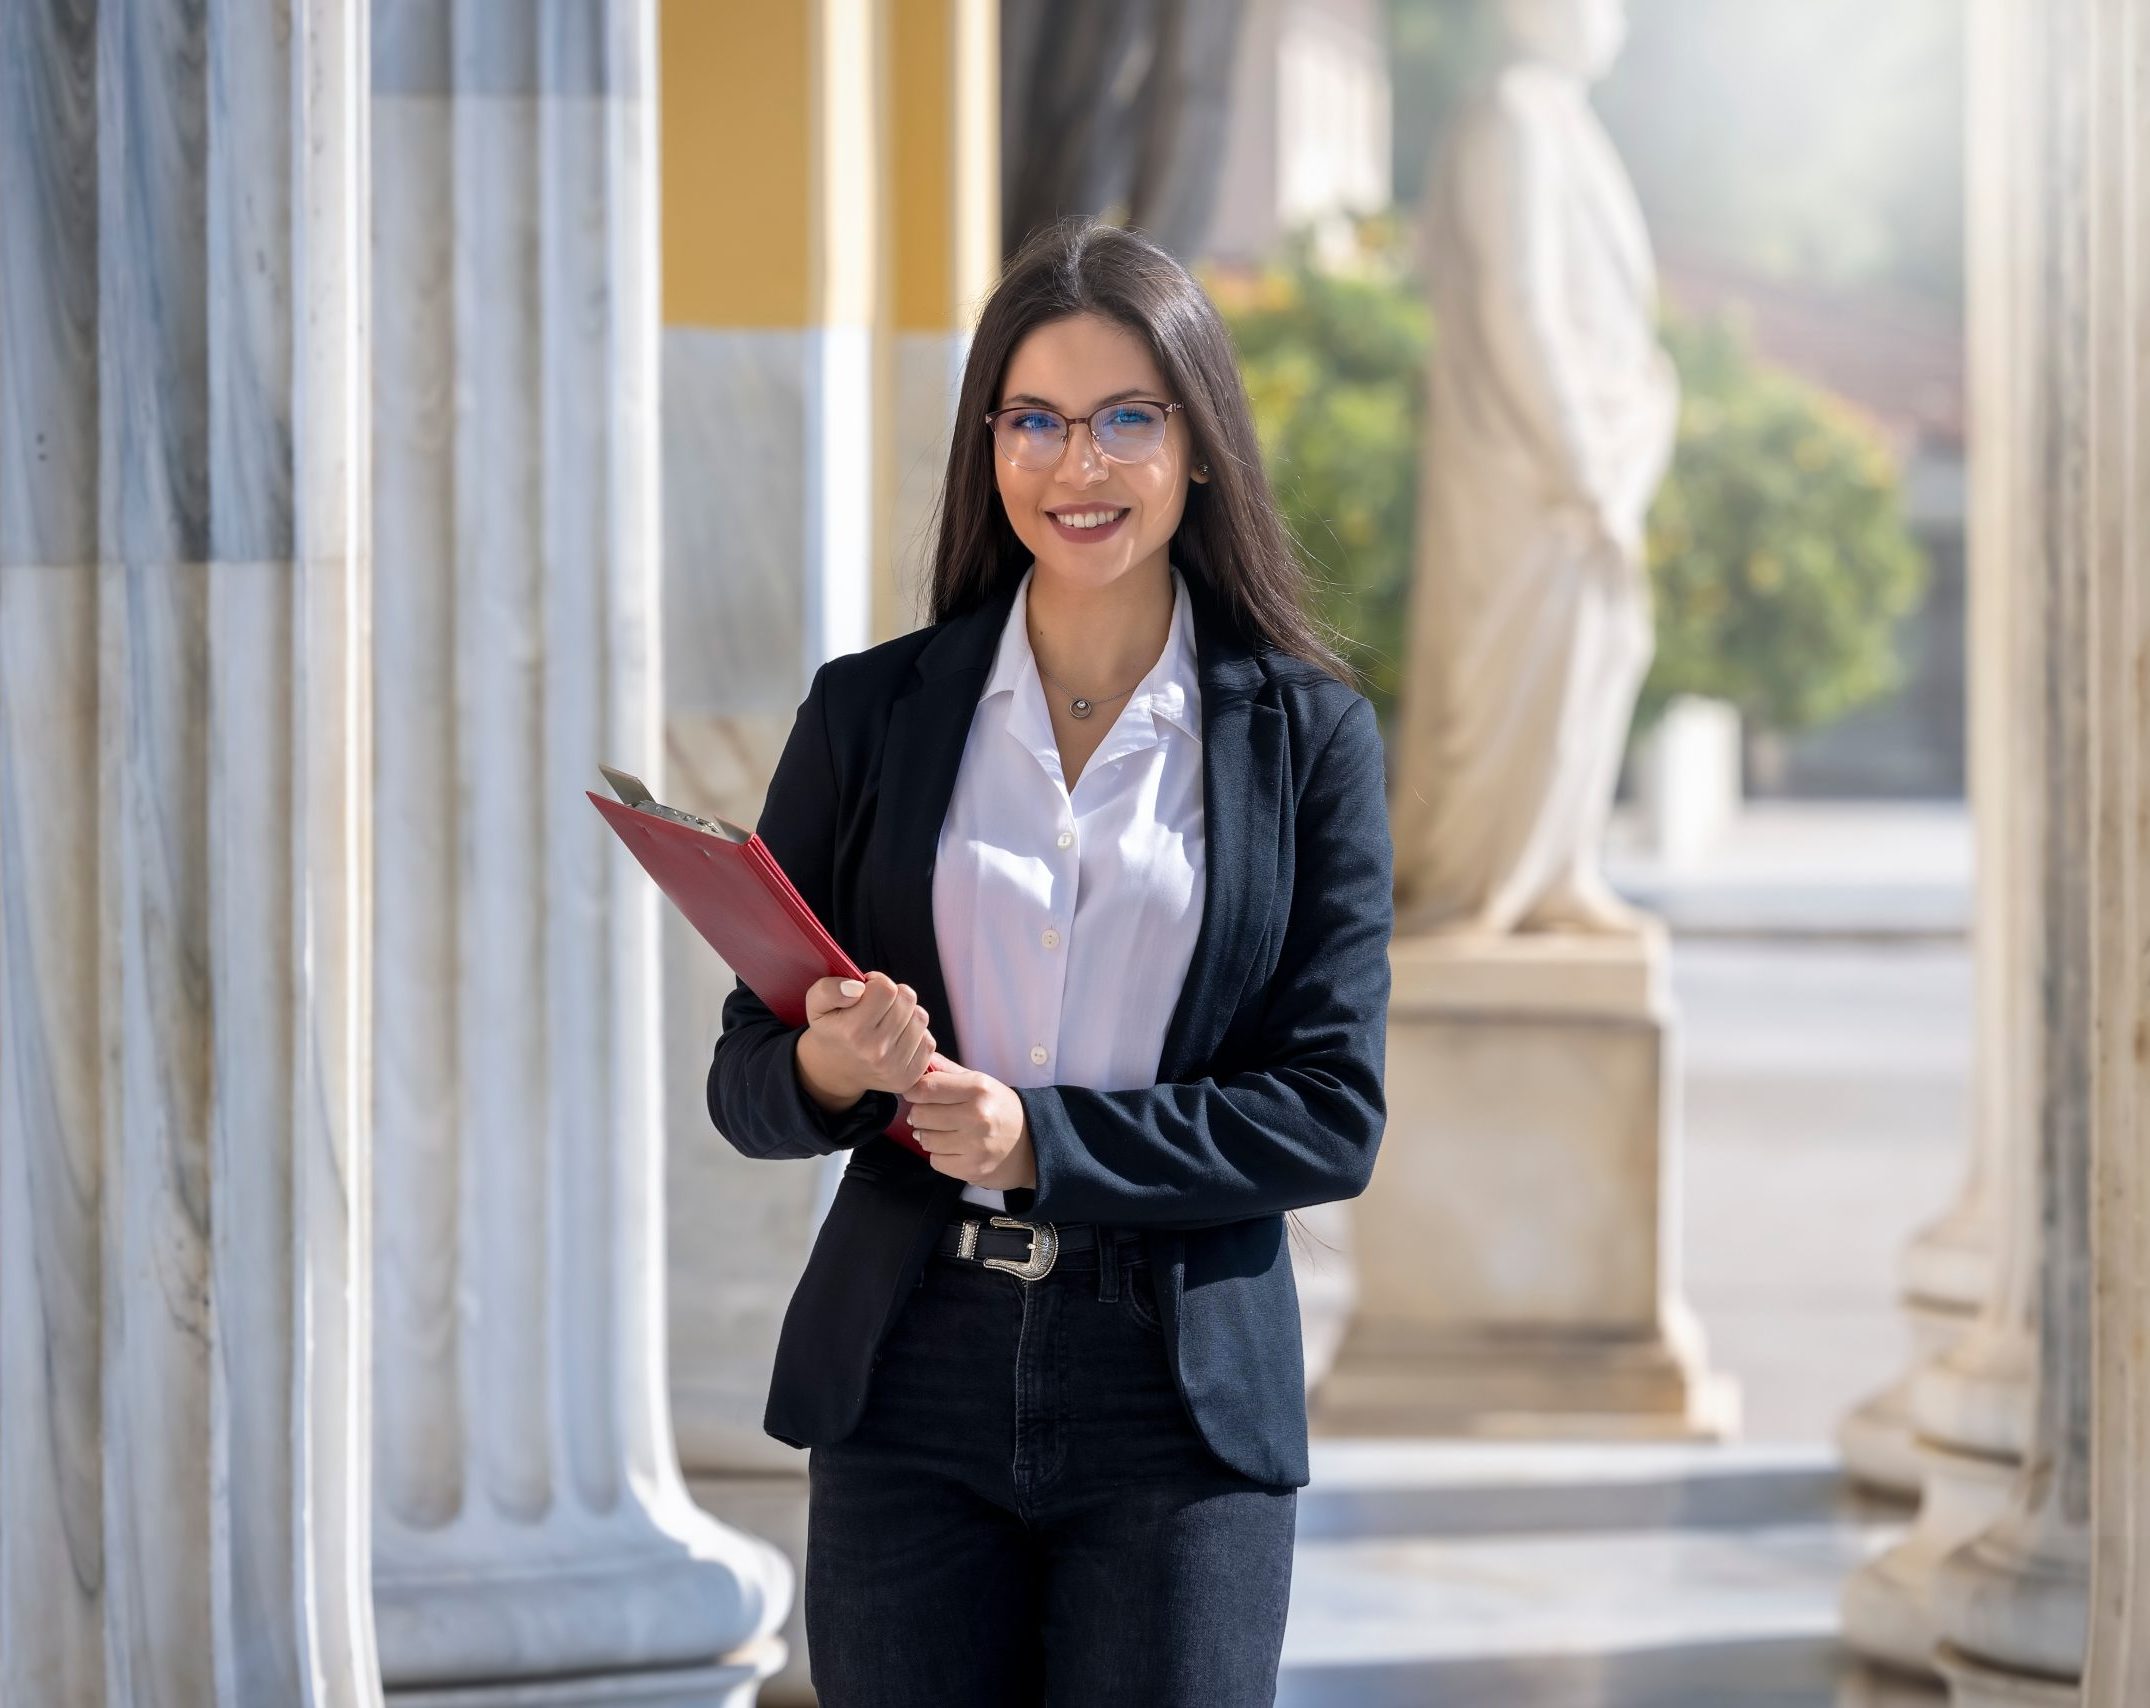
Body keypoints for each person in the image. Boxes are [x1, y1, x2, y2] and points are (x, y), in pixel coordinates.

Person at [705, 213, 1394, 1707]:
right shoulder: (871, 713)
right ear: (988, 444)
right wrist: (831, 1061)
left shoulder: (1304, 741)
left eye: (1123, 421)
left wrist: (1041, 1139)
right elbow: (742, 1082)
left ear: (1198, 442)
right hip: (907, 1375)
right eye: (1033, 421)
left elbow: (1330, 1112)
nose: (1074, 467)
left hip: (1177, 1390)